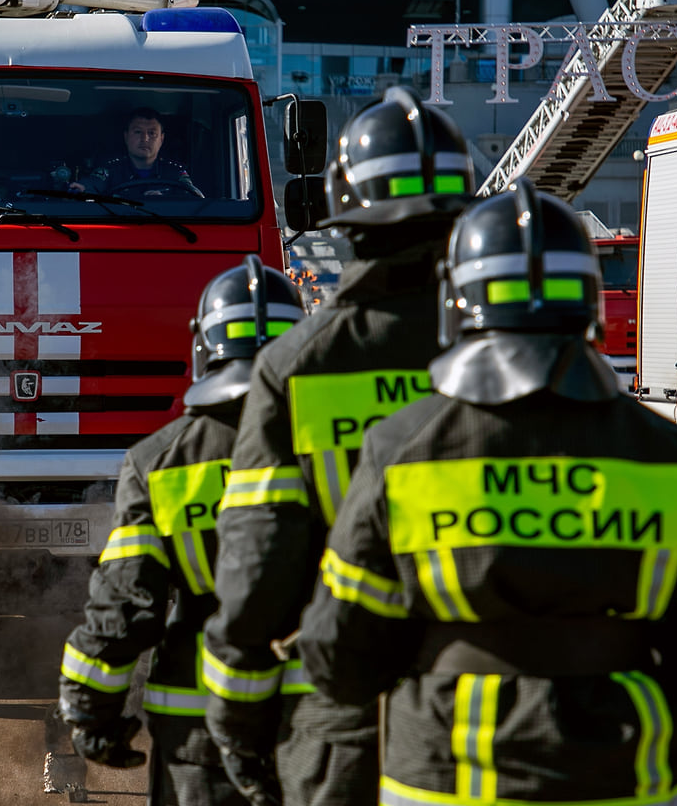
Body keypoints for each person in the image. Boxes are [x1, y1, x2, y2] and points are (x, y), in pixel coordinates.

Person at [297, 176, 677, 806]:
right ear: (591, 310)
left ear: (458, 307)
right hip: (632, 781)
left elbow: (339, 654)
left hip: (443, 783)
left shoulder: (401, 452)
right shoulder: (672, 460)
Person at [201, 86, 476, 806]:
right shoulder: (513, 349)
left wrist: (238, 726)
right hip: (520, 715)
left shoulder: (296, 367)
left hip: (347, 715)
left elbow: (256, 573)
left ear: (341, 208)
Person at [56, 255, 306, 806]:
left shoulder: (161, 462)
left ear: (201, 346)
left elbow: (127, 603)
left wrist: (92, 713)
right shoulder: (348, 444)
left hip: (198, 732)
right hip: (321, 722)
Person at [70, 107, 203, 197]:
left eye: (152, 133)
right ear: (126, 136)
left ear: (161, 139)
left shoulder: (175, 173)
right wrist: (80, 189)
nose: (144, 139)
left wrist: (165, 203)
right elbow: (89, 186)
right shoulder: (110, 171)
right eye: (138, 132)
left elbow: (195, 199)